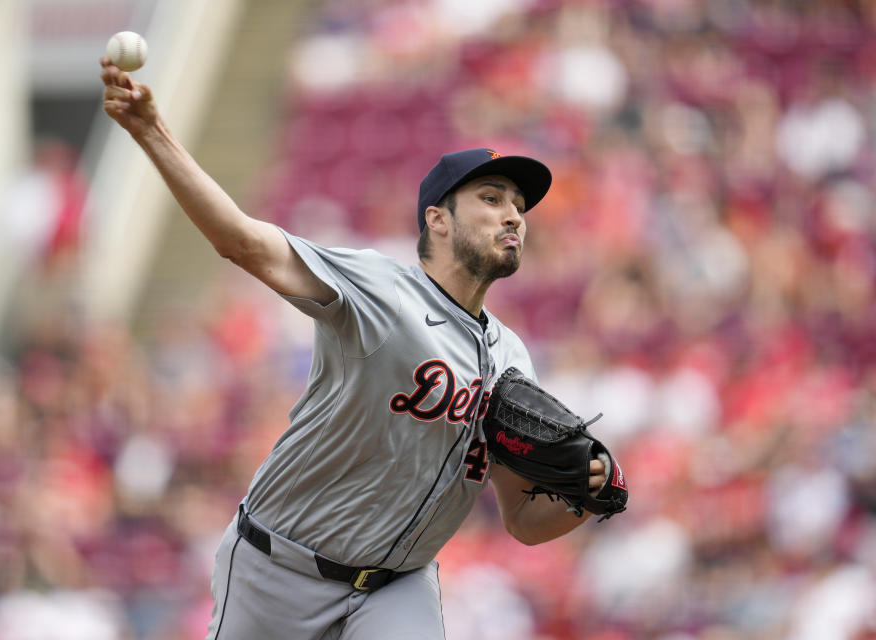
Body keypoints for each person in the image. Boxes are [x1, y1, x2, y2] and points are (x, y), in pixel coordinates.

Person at [100, 56, 609, 640]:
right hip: (279, 570)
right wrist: (152, 133)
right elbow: (242, 242)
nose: (514, 215)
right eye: (491, 199)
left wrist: (583, 498)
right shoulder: (381, 289)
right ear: (438, 219)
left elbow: (522, 519)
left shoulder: (512, 359)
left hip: (397, 586)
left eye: (519, 205)